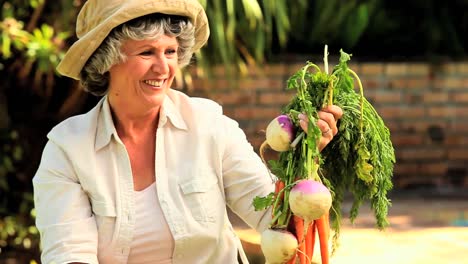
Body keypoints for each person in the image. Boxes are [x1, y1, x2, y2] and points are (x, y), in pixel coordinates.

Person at [32, 0, 343, 263]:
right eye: (146, 53)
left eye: (170, 52)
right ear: (106, 61)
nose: (163, 67)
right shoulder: (68, 150)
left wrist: (306, 156)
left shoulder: (209, 125)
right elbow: (69, 253)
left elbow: (272, 219)